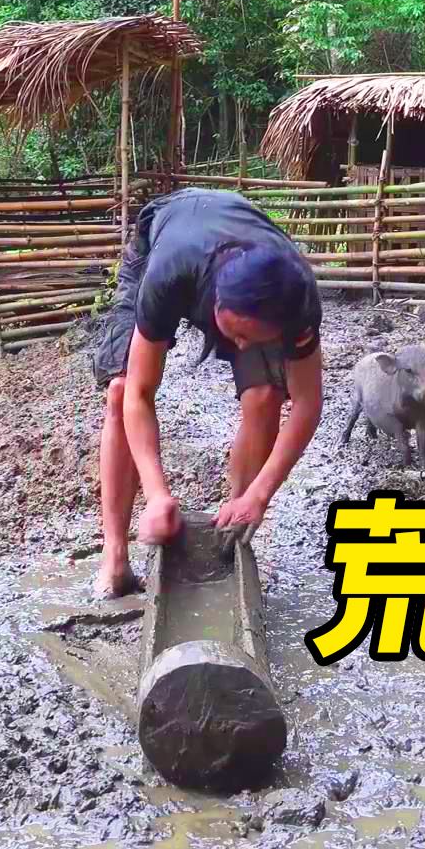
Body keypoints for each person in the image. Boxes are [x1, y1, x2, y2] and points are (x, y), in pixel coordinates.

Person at [91, 187, 324, 597]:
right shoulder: (169, 274)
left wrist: (259, 496)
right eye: (236, 335)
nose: (242, 347)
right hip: (167, 237)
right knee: (119, 389)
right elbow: (140, 394)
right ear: (215, 306)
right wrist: (157, 495)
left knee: (266, 395)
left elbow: (306, 405)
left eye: (256, 340)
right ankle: (114, 556)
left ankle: (232, 527)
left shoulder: (296, 299)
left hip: (256, 275)